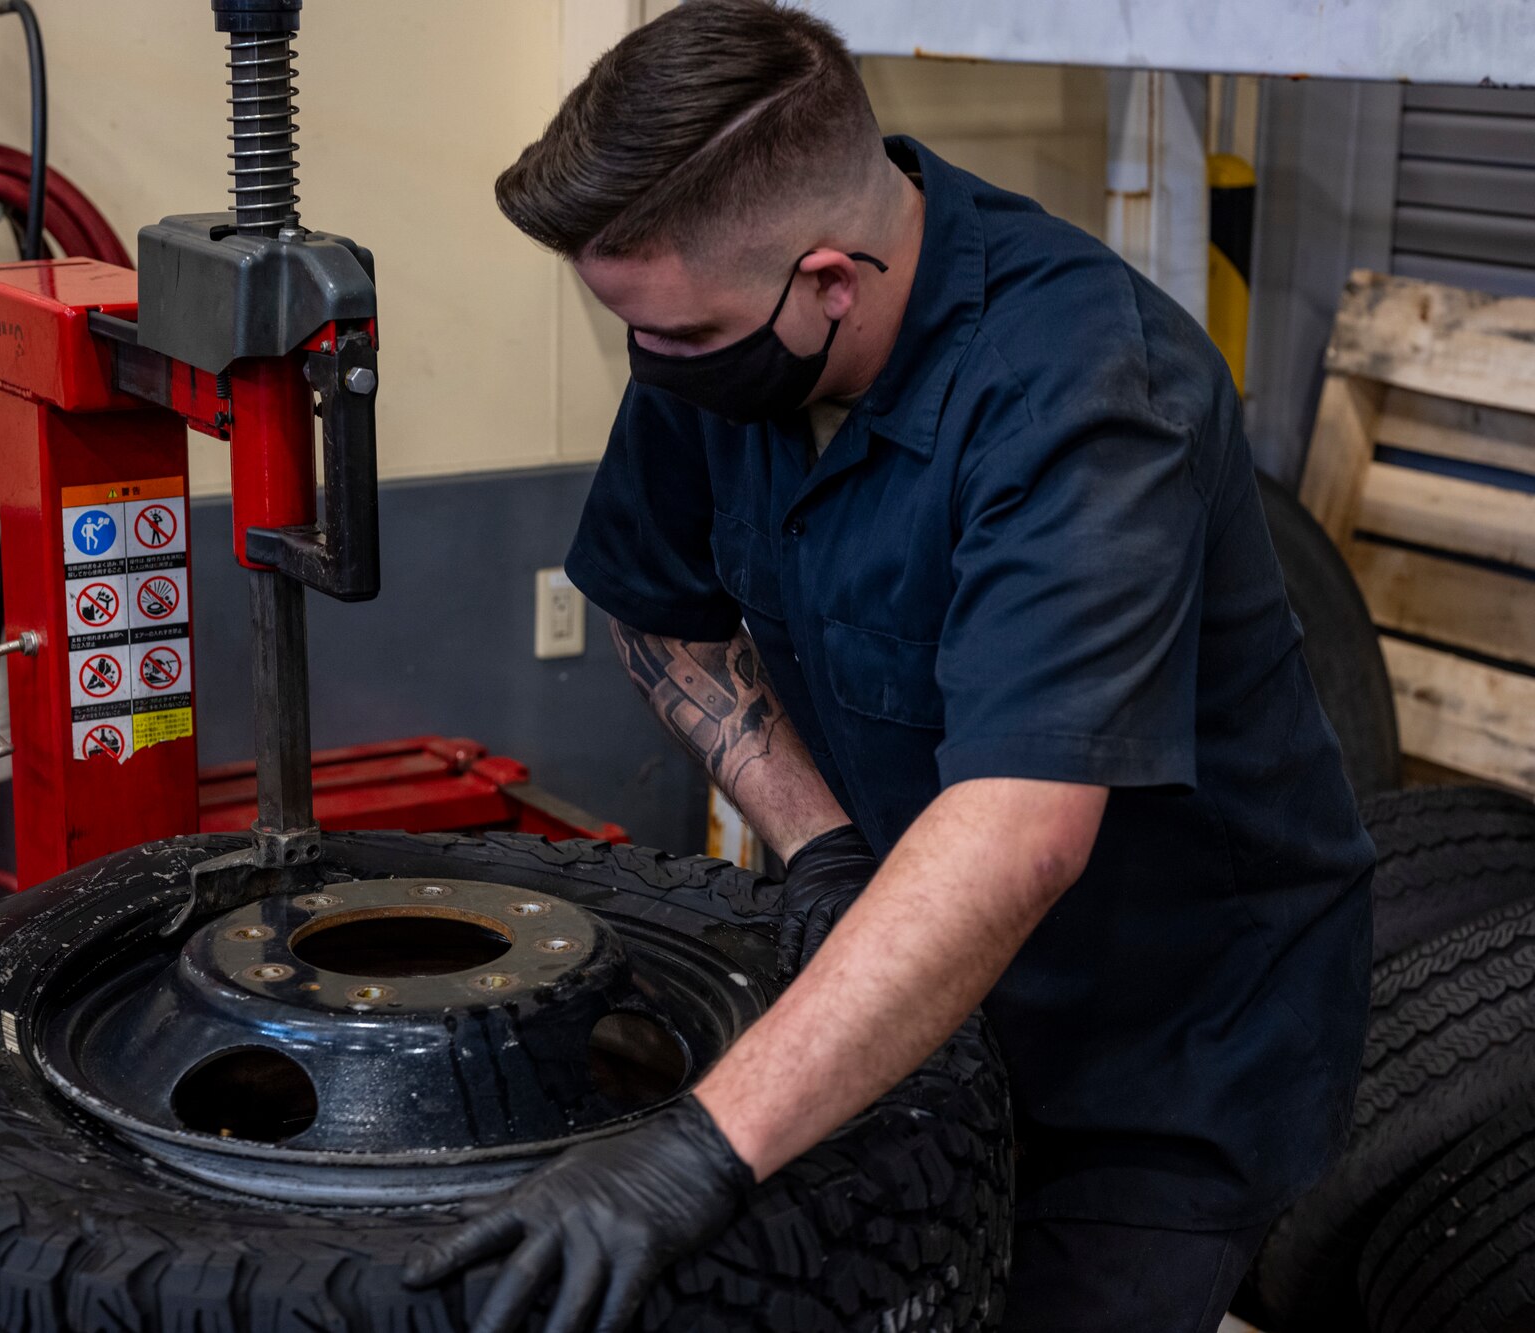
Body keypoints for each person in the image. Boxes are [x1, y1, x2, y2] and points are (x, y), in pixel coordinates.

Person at [401, 3, 1376, 1331]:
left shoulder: (1087, 393)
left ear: (829, 279)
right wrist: (820, 845)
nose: (655, 368)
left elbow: (1020, 833)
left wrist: (702, 1142)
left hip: (1158, 1053)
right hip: (918, 979)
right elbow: (657, 609)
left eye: (682, 338)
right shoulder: (718, 349)